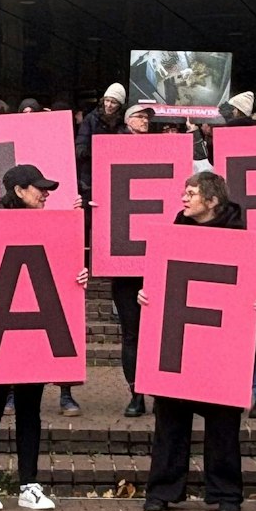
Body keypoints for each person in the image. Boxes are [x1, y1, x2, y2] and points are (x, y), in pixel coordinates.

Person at [0, 164, 85, 511]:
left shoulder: (51, 226)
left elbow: (65, 268)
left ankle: (29, 484)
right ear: (18, 191)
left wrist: (78, 275)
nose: (46, 194)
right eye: (39, 188)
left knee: (30, 410)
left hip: (34, 331)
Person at [139, 171, 256, 511]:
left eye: (192, 193)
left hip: (220, 343)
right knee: (170, 420)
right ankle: (162, 491)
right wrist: (145, 294)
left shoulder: (240, 237)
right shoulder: (174, 233)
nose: (184, 198)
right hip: (180, 338)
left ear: (212, 201)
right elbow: (156, 278)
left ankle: (226, 493)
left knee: (223, 423)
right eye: (185, 192)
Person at [110, 102, 159, 418]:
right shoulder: (111, 149)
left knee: (159, 332)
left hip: (156, 258)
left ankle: (161, 390)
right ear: (127, 121)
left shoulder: (162, 151)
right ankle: (136, 393)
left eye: (147, 118)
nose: (144, 121)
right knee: (132, 333)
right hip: (125, 261)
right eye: (139, 116)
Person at [76, 83, 126, 193]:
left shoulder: (124, 121)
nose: (109, 105)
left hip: (116, 169)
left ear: (120, 105)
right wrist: (90, 152)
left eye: (113, 102)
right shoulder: (90, 119)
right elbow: (80, 145)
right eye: (107, 100)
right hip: (91, 170)